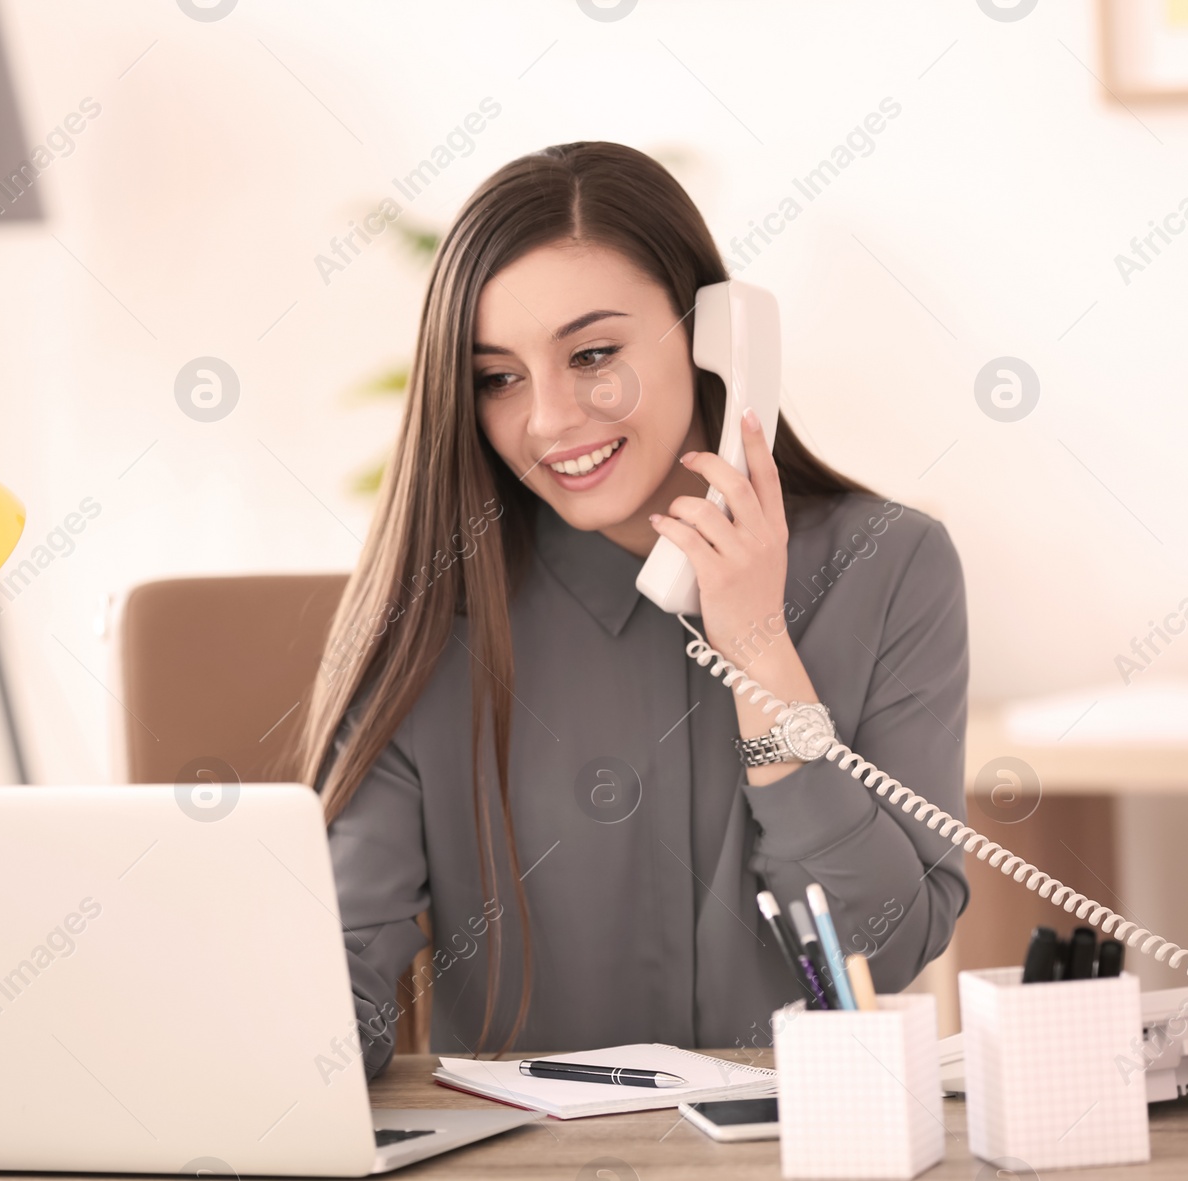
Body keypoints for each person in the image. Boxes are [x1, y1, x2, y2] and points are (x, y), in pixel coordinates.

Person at [293, 141, 968, 1079]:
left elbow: (880, 952)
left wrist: (759, 650)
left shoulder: (889, 567)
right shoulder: (437, 611)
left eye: (594, 354)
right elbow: (339, 975)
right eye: (499, 376)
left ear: (714, 337)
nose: (549, 420)